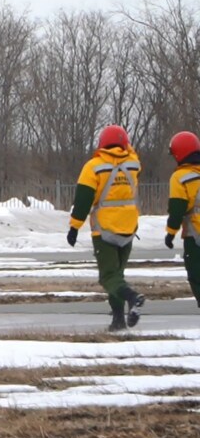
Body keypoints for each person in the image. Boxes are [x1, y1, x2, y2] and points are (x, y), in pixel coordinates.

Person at [67, 124, 145, 331]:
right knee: (117, 274)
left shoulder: (93, 167)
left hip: (105, 230)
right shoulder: (133, 164)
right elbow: (132, 153)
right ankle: (118, 320)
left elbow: (83, 200)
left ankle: (132, 298)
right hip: (129, 229)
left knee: (108, 276)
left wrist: (74, 227)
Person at [166, 131, 200, 307]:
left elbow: (177, 209)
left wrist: (170, 233)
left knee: (196, 275)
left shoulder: (180, 177)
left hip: (195, 237)